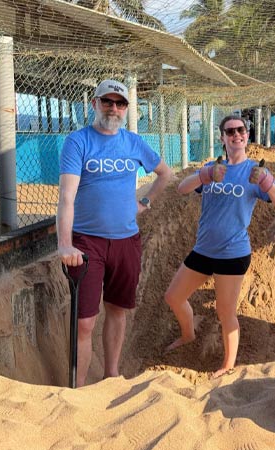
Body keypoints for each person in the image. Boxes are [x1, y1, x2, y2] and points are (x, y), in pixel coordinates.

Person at [57, 79, 174, 387]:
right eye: (107, 102)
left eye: (120, 103)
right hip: (86, 243)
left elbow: (165, 174)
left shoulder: (133, 143)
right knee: (84, 323)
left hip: (126, 241)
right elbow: (67, 197)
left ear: (126, 109)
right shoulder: (78, 142)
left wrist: (144, 202)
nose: (114, 108)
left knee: (117, 311)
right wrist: (65, 244)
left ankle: (111, 375)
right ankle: (79, 389)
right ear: (94, 104)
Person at [163, 115, 275, 379]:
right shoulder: (213, 167)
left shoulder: (254, 172)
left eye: (240, 130)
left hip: (233, 254)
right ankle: (188, 335)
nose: (235, 135)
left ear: (247, 135)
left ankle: (227, 365)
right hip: (203, 250)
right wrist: (205, 174)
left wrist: (266, 182)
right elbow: (182, 188)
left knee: (225, 312)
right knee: (173, 297)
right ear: (222, 138)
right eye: (229, 131)